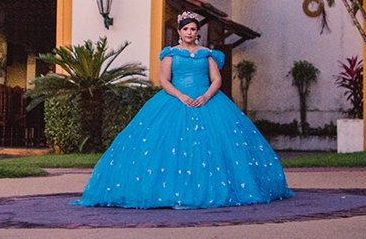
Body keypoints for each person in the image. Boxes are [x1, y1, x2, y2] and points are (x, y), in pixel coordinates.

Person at [72, 11, 293, 209]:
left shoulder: (207, 54)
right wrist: (181, 96)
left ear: (198, 32)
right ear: (179, 31)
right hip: (176, 100)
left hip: (208, 101)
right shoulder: (170, 54)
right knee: (165, 146)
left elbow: (217, 79)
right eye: (185, 29)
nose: (189, 32)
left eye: (193, 29)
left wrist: (206, 96)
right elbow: (164, 80)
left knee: (214, 147)